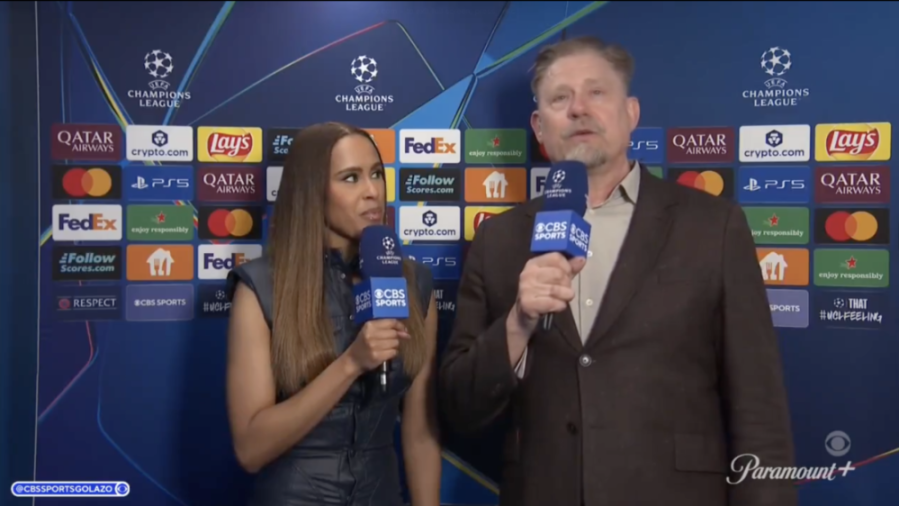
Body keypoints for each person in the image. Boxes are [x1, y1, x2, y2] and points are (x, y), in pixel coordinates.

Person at [438, 36, 797, 506]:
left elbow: (760, 409)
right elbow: (461, 407)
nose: (579, 109)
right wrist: (517, 324)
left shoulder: (713, 226)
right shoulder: (498, 240)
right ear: (539, 127)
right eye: (559, 98)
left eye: (596, 93)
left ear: (630, 114)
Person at [225, 122, 442, 506]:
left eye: (376, 173)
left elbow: (420, 432)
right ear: (312, 193)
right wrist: (352, 363)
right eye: (351, 178)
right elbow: (250, 449)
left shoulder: (415, 283)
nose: (372, 191)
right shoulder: (261, 288)